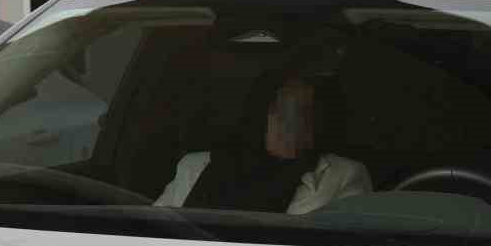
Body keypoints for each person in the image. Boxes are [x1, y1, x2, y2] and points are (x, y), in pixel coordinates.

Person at [155, 74, 371, 214]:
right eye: (292, 109)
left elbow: (346, 244)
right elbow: (157, 229)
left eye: (311, 112)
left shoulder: (343, 174)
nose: (302, 120)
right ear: (267, 112)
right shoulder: (195, 165)